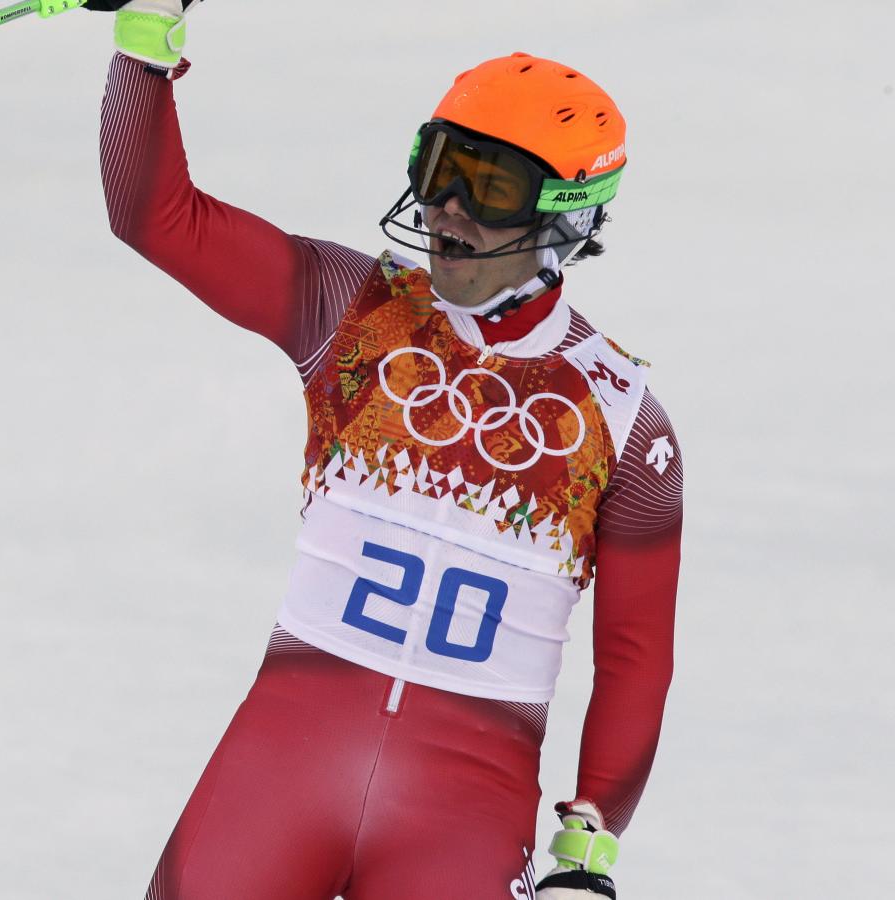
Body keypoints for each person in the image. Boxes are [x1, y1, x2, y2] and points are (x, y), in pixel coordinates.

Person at [84, 2, 684, 898]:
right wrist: (144, 46)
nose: (449, 209)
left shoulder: (625, 418)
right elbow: (157, 217)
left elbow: (636, 655)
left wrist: (588, 845)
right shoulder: (352, 308)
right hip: (282, 768)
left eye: (490, 188)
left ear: (566, 218)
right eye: (440, 168)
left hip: (463, 813)